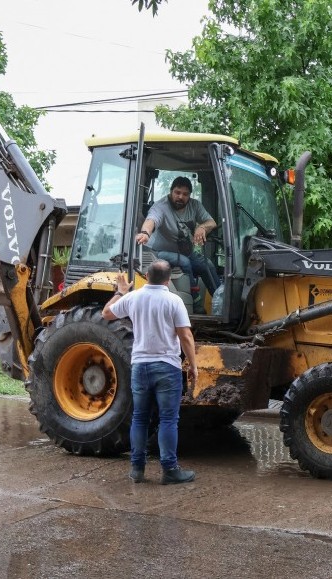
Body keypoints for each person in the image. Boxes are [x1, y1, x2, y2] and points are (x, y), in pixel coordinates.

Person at [102, 260, 197, 485]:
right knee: (168, 419)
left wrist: (120, 292)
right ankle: (169, 470)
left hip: (140, 367)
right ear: (168, 279)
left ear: (146, 275)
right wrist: (193, 365)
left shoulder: (133, 298)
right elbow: (185, 336)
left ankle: (137, 469)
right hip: (167, 367)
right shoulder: (174, 300)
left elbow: (106, 313)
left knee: (140, 418)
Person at [136, 176, 220, 314]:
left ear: (189, 195)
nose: (180, 197)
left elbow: (212, 222)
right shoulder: (161, 206)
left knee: (207, 265)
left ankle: (220, 300)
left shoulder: (194, 205)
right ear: (171, 191)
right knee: (185, 262)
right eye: (177, 192)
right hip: (159, 253)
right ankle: (195, 302)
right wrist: (145, 233)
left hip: (185, 251)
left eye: (185, 194)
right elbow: (152, 219)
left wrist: (203, 228)